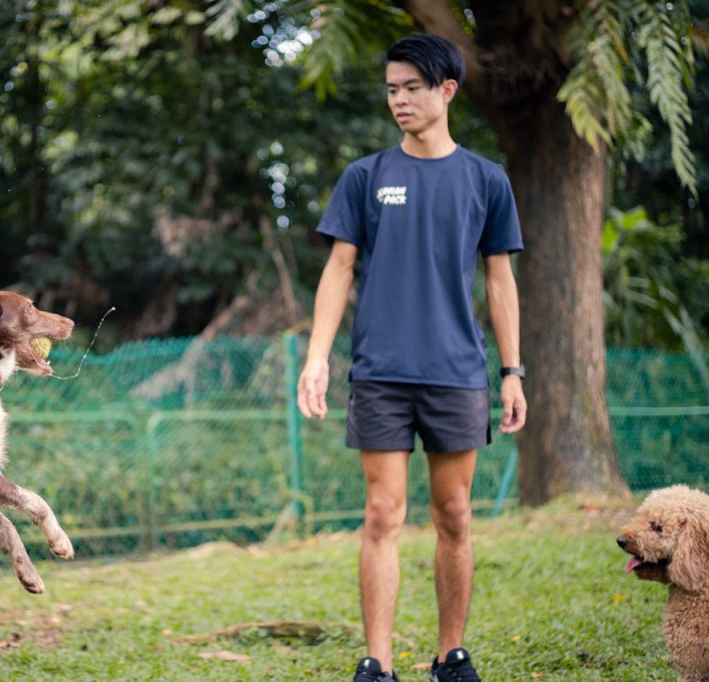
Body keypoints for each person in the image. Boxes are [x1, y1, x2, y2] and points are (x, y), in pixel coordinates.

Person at [296, 34, 527, 682]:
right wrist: (317, 358)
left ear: (446, 90)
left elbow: (501, 282)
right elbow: (339, 268)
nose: (399, 100)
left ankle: (449, 656)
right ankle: (378, 663)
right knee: (382, 514)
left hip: (456, 373)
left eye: (411, 88)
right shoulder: (366, 177)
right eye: (392, 89)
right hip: (379, 373)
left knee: (454, 515)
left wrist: (513, 371)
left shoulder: (486, 180)